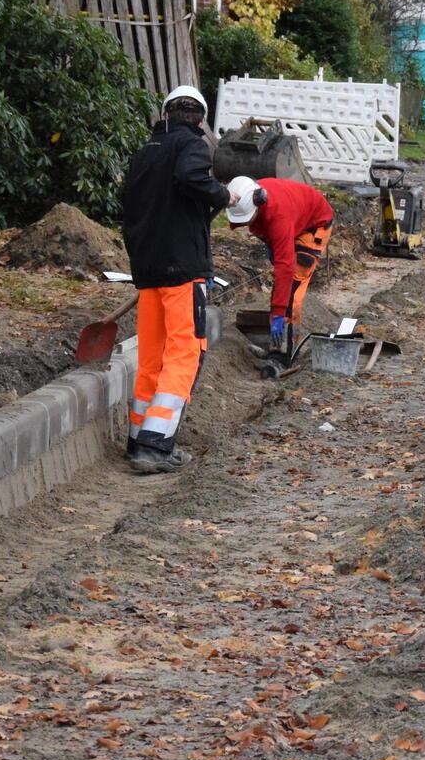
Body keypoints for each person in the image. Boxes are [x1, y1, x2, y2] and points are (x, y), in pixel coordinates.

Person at [119, 84, 242, 474]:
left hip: (148, 271)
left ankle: (139, 437)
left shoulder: (144, 154)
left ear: (165, 113)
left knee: (152, 356)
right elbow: (192, 178)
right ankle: (156, 446)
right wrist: (222, 195)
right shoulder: (191, 145)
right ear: (200, 120)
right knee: (184, 352)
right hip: (183, 271)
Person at [226, 175, 335, 349]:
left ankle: (286, 352)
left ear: (257, 205)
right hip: (296, 217)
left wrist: (278, 312)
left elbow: (285, 267)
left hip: (314, 224)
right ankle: (276, 346)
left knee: (292, 287)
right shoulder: (249, 193)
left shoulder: (278, 215)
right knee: (283, 287)